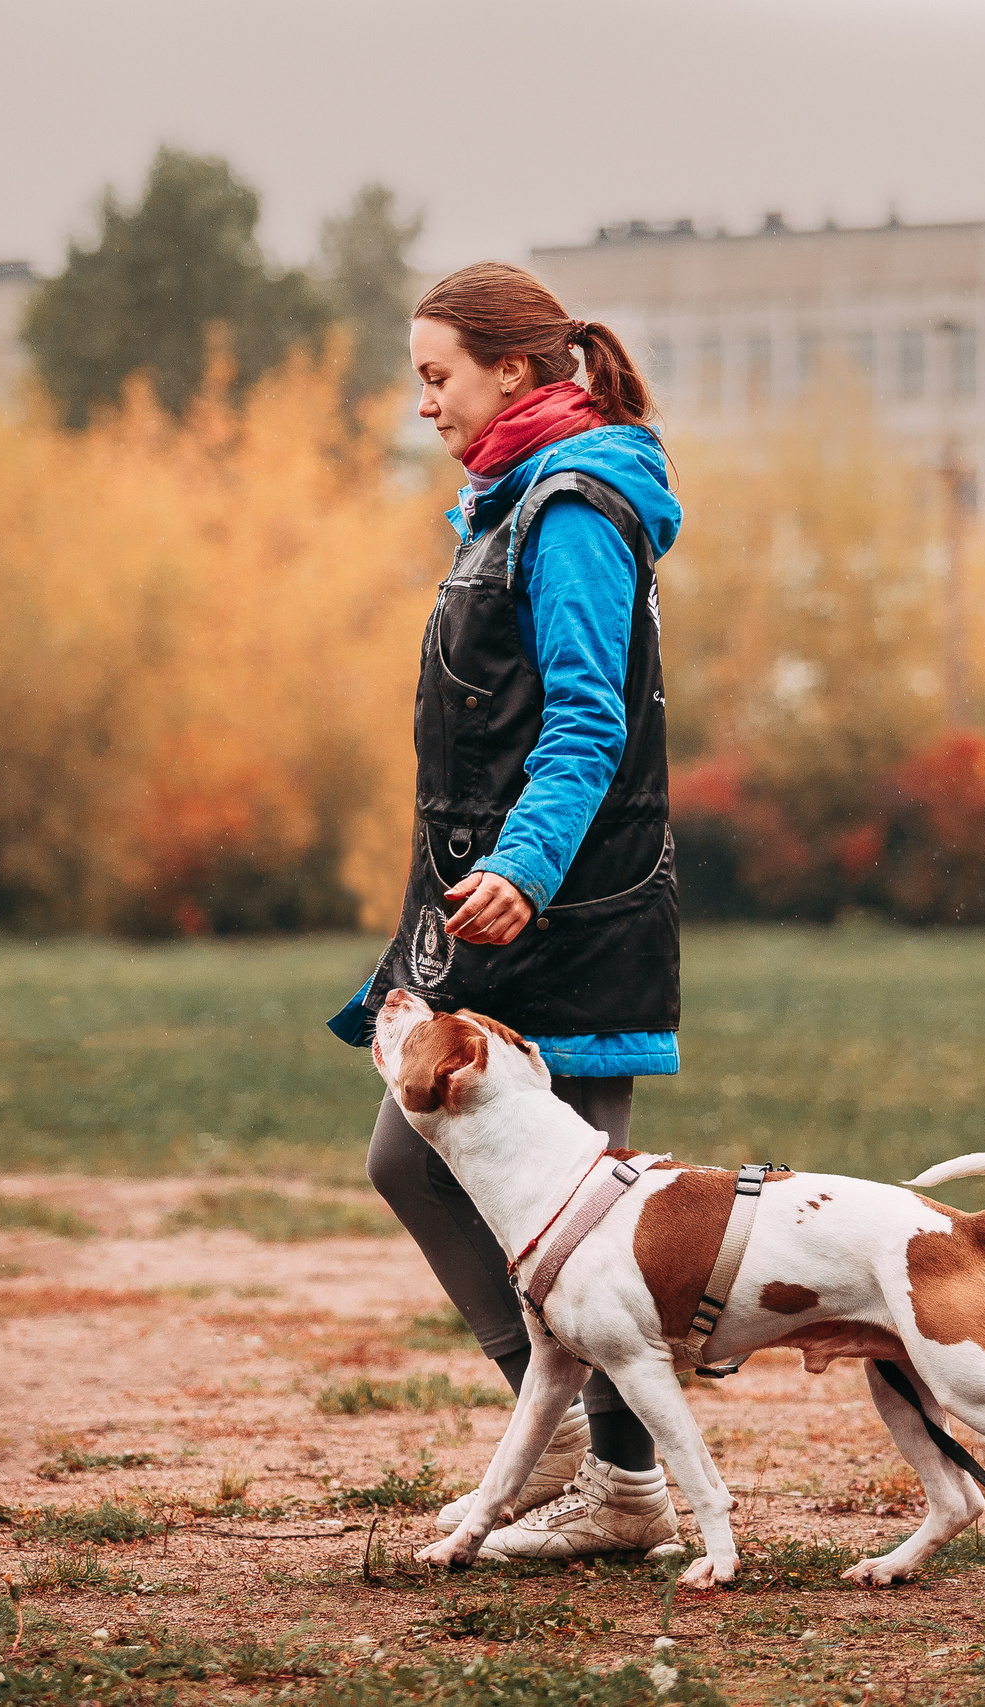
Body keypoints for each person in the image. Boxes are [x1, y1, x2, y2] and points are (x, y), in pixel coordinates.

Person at [327, 262, 684, 1563]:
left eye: (438, 376)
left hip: (566, 911)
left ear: (517, 373)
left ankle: (623, 1481)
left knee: (580, 1229)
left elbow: (590, 723)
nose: (423, 404)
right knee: (410, 1156)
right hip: (485, 914)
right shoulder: (510, 504)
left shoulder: (576, 508)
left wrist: (527, 867)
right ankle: (599, 1457)